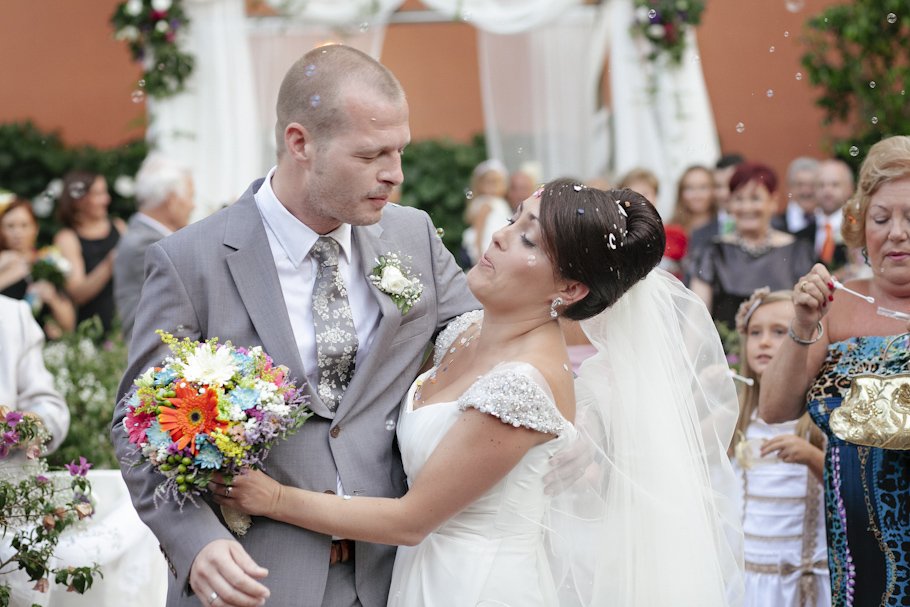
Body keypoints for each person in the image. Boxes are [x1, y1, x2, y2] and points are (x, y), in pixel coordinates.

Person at [220, 181, 744, 606]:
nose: (500, 236)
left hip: (474, 584)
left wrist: (275, 498)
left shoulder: (521, 387)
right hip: (419, 572)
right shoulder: (465, 330)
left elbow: (411, 520)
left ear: (569, 289)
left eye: (529, 240)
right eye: (514, 219)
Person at [111, 45, 479, 607]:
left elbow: (483, 344)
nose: (395, 174)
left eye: (399, 150)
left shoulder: (414, 236)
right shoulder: (189, 261)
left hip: (393, 577)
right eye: (371, 154)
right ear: (300, 143)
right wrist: (196, 541)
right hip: (252, 579)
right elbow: (136, 425)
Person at [759, 135, 910, 607]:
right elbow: (774, 408)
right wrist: (803, 324)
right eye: (881, 219)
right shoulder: (836, 303)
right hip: (857, 558)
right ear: (861, 227)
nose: (897, 233)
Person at [730, 288, 830, 607]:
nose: (764, 342)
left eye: (779, 332)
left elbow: (846, 492)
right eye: (755, 333)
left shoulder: (819, 418)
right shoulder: (738, 415)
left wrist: (811, 456)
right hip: (753, 578)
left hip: (805, 578)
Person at [691, 162, 815, 326]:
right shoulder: (713, 252)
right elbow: (695, 320)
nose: (746, 207)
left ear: (773, 201)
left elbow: (810, 315)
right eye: (739, 199)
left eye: (755, 198)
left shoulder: (799, 251)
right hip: (723, 342)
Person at [114, 154, 195, 342]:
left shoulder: (146, 237)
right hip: (155, 351)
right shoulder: (145, 244)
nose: (193, 205)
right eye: (191, 196)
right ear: (172, 200)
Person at [53, 171, 126, 334]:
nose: (107, 199)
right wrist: (109, 264)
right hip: (92, 330)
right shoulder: (67, 238)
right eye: (98, 194)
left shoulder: (119, 226)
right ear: (78, 200)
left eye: (105, 192)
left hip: (125, 325)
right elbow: (77, 294)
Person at [0, 198, 76, 338]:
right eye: (10, 226)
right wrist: (9, 271)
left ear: (35, 228)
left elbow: (69, 325)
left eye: (24, 225)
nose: (17, 233)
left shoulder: (47, 264)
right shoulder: (3, 263)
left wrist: (52, 299)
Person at [461, 159, 512, 266]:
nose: (494, 186)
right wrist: (479, 253)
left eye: (497, 182)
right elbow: (478, 231)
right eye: (489, 182)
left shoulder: (500, 202)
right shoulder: (486, 203)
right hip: (487, 245)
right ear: (479, 184)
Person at [813, 160, 853, 270]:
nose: (827, 191)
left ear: (849, 188)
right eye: (821, 185)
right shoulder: (804, 232)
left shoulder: (857, 226)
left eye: (835, 185)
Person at [772, 157, 820, 244]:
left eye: (812, 185)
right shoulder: (775, 226)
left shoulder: (830, 227)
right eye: (800, 185)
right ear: (789, 189)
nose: (806, 191)